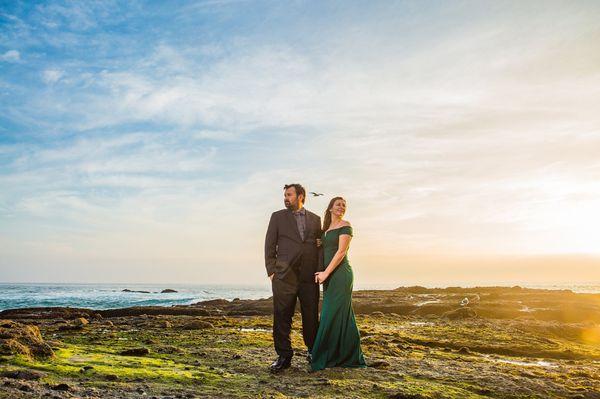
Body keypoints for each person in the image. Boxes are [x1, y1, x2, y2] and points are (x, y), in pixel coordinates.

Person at [264, 183, 323, 373]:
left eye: (289, 195)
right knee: (282, 316)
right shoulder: (277, 217)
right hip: (283, 276)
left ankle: (313, 352)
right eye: (285, 195)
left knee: (311, 316)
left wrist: (320, 270)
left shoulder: (316, 219)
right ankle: (284, 356)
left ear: (300, 196)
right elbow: (269, 245)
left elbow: (319, 246)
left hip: (308, 276)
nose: (285, 198)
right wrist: (272, 271)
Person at [311, 196, 367, 371]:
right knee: (340, 314)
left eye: (344, 205)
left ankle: (325, 355)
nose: (341, 207)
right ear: (330, 208)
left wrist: (326, 273)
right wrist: (320, 242)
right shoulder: (326, 229)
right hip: (329, 277)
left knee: (330, 313)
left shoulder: (345, 226)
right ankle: (342, 355)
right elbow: (326, 248)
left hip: (341, 275)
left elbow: (341, 252)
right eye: (338, 204)